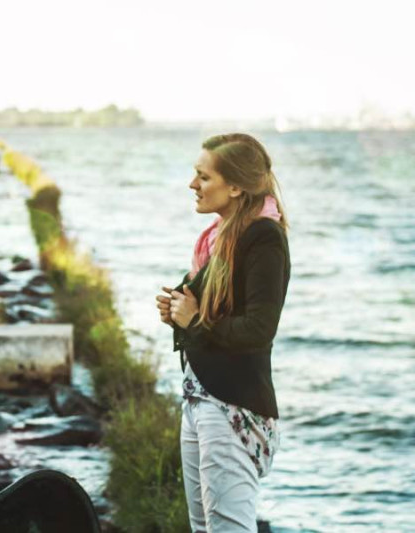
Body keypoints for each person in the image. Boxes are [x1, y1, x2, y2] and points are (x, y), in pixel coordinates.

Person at [155, 133, 290, 532]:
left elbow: (259, 329)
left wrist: (195, 322)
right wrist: (178, 312)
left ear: (235, 186)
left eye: (203, 176)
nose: (192, 184)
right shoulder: (218, 238)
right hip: (200, 396)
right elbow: (216, 314)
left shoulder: (262, 236)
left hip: (232, 407)